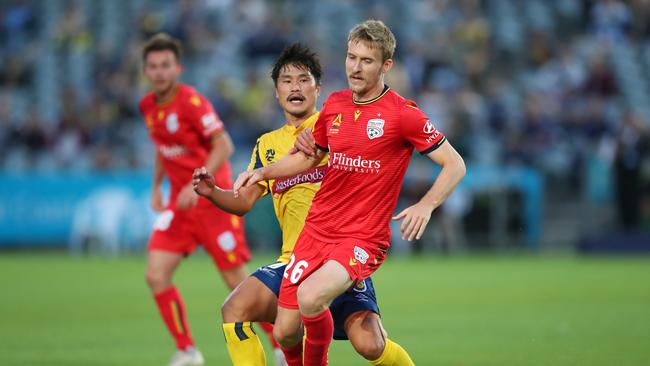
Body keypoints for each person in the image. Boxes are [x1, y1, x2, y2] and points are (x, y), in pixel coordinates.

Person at [234, 20, 466, 365]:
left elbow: (455, 164)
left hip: (360, 236)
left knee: (311, 298)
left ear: (386, 65)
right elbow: (308, 157)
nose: (355, 68)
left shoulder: (404, 115)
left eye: (367, 60)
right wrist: (261, 172)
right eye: (351, 57)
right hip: (316, 230)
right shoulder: (336, 105)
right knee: (284, 331)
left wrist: (426, 205)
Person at [193, 43, 414, 366]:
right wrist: (214, 192)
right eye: (287, 80)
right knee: (236, 309)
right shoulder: (267, 145)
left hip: (340, 255)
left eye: (303, 79)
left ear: (318, 88)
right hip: (294, 259)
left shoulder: (339, 123)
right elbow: (244, 203)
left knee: (369, 344)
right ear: (276, 92)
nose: (295, 87)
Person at [139, 33, 261, 366]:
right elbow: (163, 148)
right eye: (153, 66)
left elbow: (224, 146)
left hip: (212, 202)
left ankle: (281, 350)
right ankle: (188, 351)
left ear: (177, 68)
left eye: (166, 65)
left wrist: (196, 182)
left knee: (239, 285)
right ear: (146, 71)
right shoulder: (148, 106)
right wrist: (156, 187)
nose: (160, 72)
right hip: (181, 206)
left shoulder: (192, 103)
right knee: (156, 274)